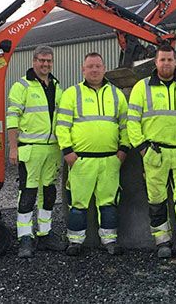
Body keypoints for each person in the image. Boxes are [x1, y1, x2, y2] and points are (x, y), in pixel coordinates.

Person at [127, 44, 176, 261]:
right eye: (162, 60)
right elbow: (132, 123)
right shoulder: (141, 88)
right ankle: (162, 242)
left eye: (169, 60)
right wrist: (143, 149)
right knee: (156, 200)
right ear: (155, 62)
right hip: (155, 154)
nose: (166, 64)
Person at [55, 52, 130, 256]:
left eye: (98, 66)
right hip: (82, 161)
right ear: (83, 69)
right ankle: (75, 241)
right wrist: (68, 152)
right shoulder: (71, 94)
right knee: (78, 205)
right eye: (90, 66)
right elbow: (62, 126)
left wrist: (123, 151)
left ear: (104, 69)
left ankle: (110, 241)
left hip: (110, 161)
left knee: (108, 203)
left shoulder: (116, 94)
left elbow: (125, 126)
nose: (94, 70)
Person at [6, 45, 67, 258]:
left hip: (52, 148)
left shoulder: (57, 86)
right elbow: (12, 117)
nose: (45, 64)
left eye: (49, 61)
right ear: (34, 61)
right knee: (27, 194)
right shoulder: (21, 86)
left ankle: (45, 233)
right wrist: (13, 147)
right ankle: (24, 237)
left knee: (48, 193)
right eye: (41, 60)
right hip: (30, 148)